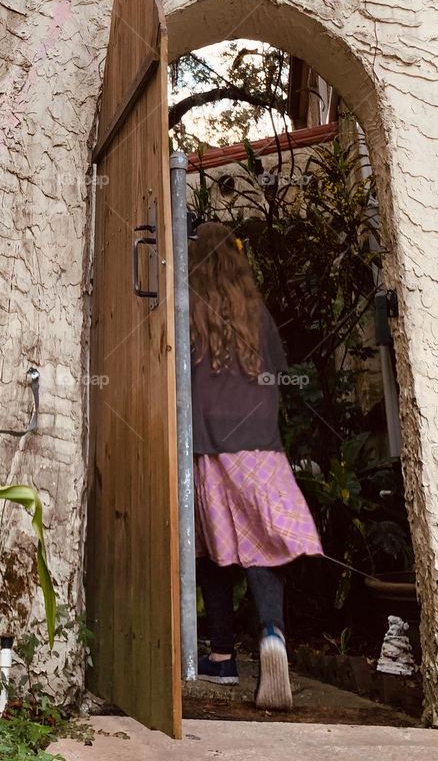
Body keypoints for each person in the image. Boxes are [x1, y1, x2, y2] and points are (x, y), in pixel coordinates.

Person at [189, 220, 322, 709]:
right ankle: (272, 635)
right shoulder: (255, 312)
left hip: (210, 447)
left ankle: (222, 657)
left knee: (215, 550)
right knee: (264, 545)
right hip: (260, 446)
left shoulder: (190, 312)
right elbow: (278, 375)